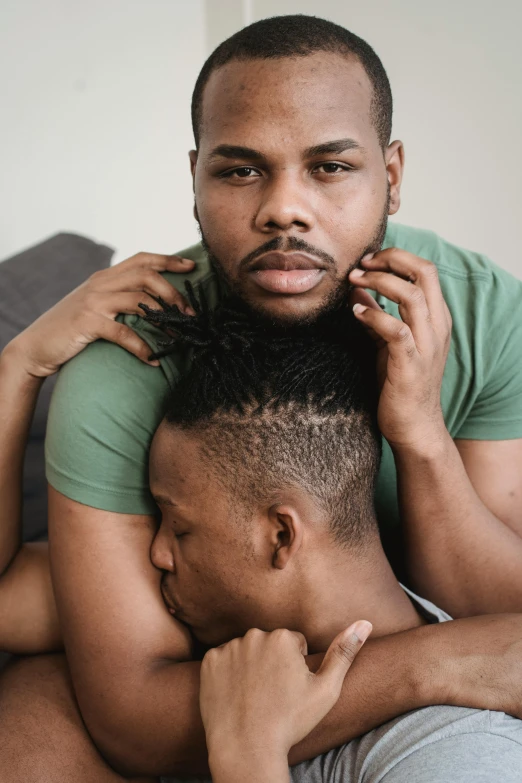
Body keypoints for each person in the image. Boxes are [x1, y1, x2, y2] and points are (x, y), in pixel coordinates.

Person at [2, 12, 522, 780]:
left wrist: (419, 435)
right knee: (36, 699)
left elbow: (500, 606)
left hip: (386, 645)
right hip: (210, 668)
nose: (284, 207)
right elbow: (131, 716)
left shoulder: (479, 314)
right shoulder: (126, 355)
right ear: (195, 179)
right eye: (240, 170)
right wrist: (433, 663)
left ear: (394, 174)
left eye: (330, 168)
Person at [1, 282, 522, 783]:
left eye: (178, 527)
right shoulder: (197, 626)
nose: (156, 554)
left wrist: (248, 756)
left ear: (280, 537)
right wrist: (17, 364)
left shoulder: (454, 752)